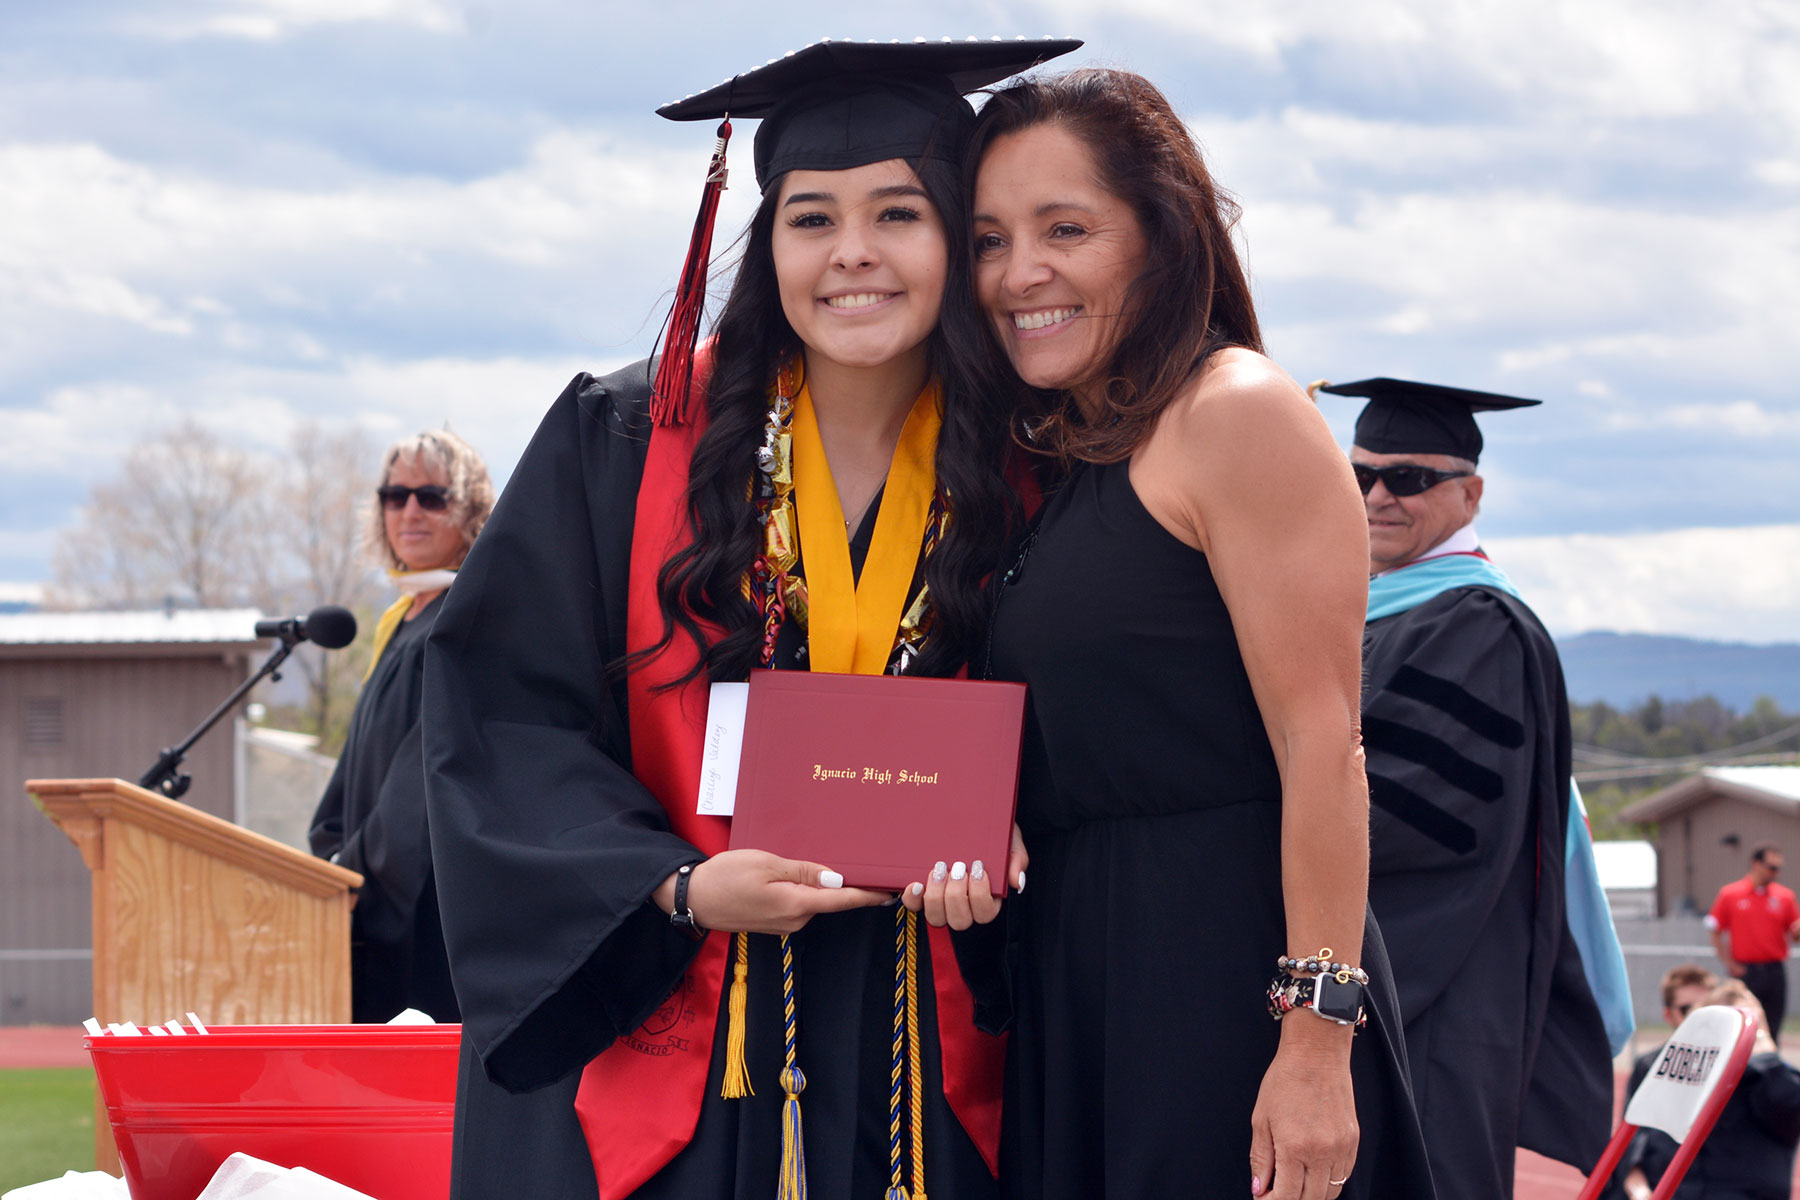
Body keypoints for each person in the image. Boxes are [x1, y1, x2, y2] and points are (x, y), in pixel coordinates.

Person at [421, 39, 1079, 1200]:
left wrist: (1020, 835)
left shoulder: (1034, 460)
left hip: (928, 1034)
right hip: (681, 1016)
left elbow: (1102, 723)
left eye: (900, 214)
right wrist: (670, 887)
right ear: (766, 239)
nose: (854, 255)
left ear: (959, 239)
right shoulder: (627, 440)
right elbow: (500, 713)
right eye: (812, 218)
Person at [955, 69, 1434, 1200]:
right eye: (989, 238)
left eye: (1066, 228)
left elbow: (1326, 746)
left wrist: (1317, 1043)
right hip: (1085, 973)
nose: (1020, 273)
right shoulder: (1070, 454)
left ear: (1163, 239)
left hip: (1218, 974)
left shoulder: (1234, 413)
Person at [1315, 376, 1617, 1197]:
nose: (1377, 495)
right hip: (1374, 994)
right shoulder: (1361, 610)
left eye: (1408, 478)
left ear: (1470, 492)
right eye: (1358, 475)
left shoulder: (1477, 626)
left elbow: (1416, 820)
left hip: (1434, 997)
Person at [308, 428, 493, 1023]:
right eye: (395, 496)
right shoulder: (402, 619)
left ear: (470, 511)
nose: (409, 510)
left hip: (420, 911)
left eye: (432, 496)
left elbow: (420, 781)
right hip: (367, 898)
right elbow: (355, 768)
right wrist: (325, 852)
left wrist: (350, 871)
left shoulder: (464, 622)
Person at [1611, 974, 1800, 1200]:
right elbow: (1638, 1133)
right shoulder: (1664, 1065)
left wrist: (1763, 1051)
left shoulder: (1768, 1074)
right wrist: (1637, 1186)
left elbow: (1790, 1116)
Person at [1707, 844, 1800, 1035]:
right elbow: (1714, 929)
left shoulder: (1785, 896)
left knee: (1773, 1026)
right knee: (1741, 1028)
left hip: (1774, 970)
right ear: (1756, 864)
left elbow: (1795, 935)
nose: (1776, 873)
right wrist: (1728, 962)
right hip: (1745, 971)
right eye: (1772, 868)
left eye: (1779, 868)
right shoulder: (1730, 893)